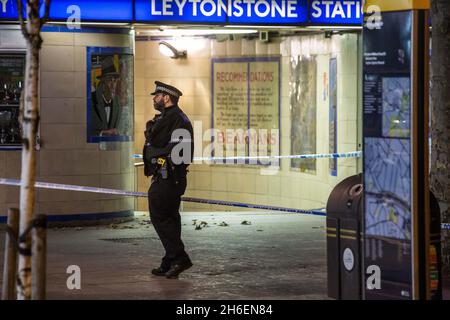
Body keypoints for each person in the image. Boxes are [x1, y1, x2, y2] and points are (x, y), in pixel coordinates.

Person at [144, 81, 194, 279]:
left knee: (161, 217)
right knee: (170, 219)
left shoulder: (175, 119)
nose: (154, 99)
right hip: (168, 177)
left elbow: (159, 144)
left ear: (166, 97)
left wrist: (152, 148)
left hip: (169, 178)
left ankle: (179, 258)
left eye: (157, 95)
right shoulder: (170, 118)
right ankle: (170, 260)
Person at [90, 56, 121, 137]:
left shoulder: (117, 102)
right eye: (110, 80)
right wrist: (102, 133)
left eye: (115, 81)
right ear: (103, 81)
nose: (113, 85)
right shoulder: (92, 100)